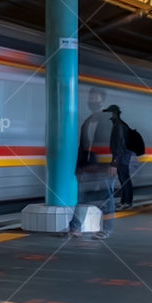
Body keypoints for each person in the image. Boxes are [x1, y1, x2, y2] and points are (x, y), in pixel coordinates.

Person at [67, 88, 115, 239]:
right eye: (91, 98)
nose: (92, 101)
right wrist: (79, 167)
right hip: (88, 166)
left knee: (106, 199)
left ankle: (106, 229)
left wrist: (113, 164)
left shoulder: (109, 120)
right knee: (81, 197)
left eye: (96, 98)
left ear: (102, 100)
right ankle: (75, 228)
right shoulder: (88, 121)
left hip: (104, 166)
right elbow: (83, 146)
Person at [105, 104, 134, 213]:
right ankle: (125, 202)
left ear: (114, 113)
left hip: (122, 157)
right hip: (123, 156)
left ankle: (127, 203)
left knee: (124, 179)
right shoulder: (119, 125)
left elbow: (119, 145)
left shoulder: (119, 126)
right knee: (124, 179)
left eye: (110, 113)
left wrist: (115, 161)